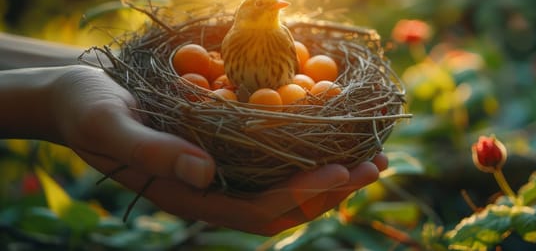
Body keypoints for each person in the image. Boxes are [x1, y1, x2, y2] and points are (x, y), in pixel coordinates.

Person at [0, 32, 387, 236]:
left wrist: (100, 72)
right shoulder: (228, 63)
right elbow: (215, 79)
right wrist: (48, 98)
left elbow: (285, 80)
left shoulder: (279, 49)